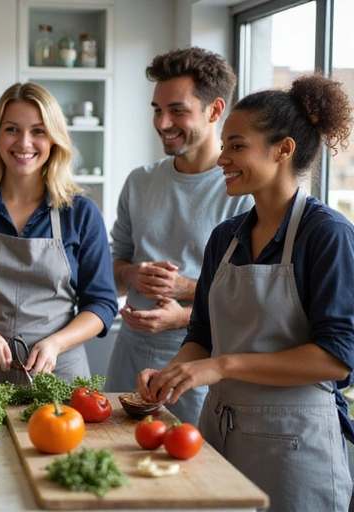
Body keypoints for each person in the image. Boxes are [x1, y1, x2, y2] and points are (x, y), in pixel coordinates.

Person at [138, 74, 354, 512]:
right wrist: (171, 374)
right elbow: (201, 334)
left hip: (296, 449)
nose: (222, 158)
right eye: (225, 146)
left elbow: (337, 358)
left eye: (236, 145)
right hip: (219, 435)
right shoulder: (226, 237)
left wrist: (223, 366)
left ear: (283, 149)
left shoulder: (327, 235)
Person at [0, 82, 118, 385]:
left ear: (55, 139)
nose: (24, 143)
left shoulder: (80, 212)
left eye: (38, 131)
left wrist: (56, 343)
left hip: (58, 376)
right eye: (12, 129)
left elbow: (102, 304)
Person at [103, 47, 253, 424]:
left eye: (177, 111)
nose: (162, 122)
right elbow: (115, 259)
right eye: (157, 109)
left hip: (196, 363)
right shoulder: (139, 181)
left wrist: (184, 298)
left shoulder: (241, 192)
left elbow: (248, 302)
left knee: (188, 472)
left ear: (215, 110)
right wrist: (131, 275)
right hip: (128, 356)